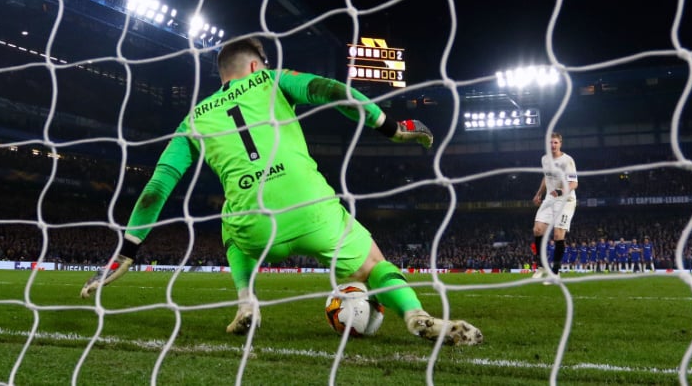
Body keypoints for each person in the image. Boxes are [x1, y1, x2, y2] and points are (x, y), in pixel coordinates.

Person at [79, 37, 482, 346]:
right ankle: (414, 314)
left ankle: (246, 301)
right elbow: (330, 90)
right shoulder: (271, 79)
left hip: (255, 229)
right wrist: (392, 128)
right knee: (372, 265)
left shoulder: (193, 119)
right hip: (313, 210)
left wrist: (126, 254)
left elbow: (156, 188)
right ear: (255, 65)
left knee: (228, 219)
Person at [531, 132, 578, 280]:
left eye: (556, 142)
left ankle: (556, 272)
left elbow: (574, 183)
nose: (553, 145)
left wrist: (561, 191)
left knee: (558, 235)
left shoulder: (567, 161)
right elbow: (546, 177)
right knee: (538, 229)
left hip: (566, 200)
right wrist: (538, 193)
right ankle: (542, 266)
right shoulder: (545, 159)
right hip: (550, 198)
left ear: (560, 144)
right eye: (551, 142)